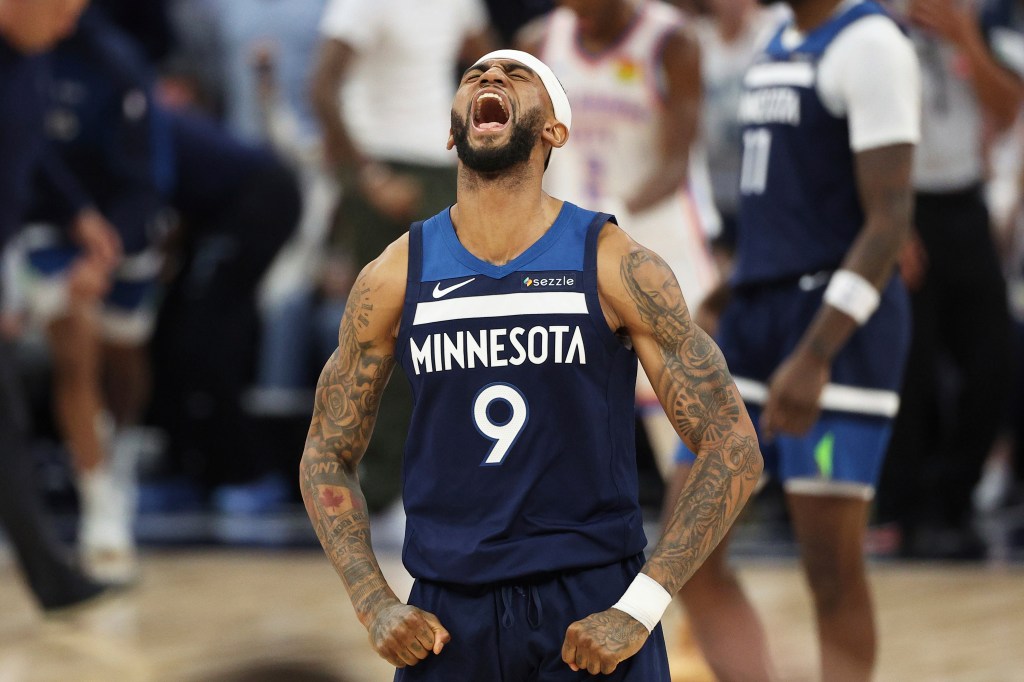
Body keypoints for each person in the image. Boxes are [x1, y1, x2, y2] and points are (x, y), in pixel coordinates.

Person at [299, 49, 763, 679]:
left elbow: (732, 444)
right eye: (472, 77)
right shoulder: (394, 273)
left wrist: (642, 606)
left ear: (554, 130)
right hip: (444, 616)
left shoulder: (614, 262)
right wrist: (373, 601)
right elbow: (325, 451)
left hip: (591, 605)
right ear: (452, 128)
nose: (489, 77)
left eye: (517, 76)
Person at [668, 0, 921, 678]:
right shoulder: (777, 36)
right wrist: (732, 285)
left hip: (836, 328)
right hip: (757, 309)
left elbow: (891, 217)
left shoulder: (870, 44)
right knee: (684, 549)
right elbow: (788, 195)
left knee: (830, 570)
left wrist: (815, 354)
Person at [307, 0, 495, 514]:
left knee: (453, 329)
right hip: (383, 168)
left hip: (443, 166)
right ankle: (386, 481)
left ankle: (449, 474)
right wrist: (364, 176)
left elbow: (492, 67)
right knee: (387, 330)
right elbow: (321, 88)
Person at [521, 0, 722, 474]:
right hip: (572, 246)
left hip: (661, 240)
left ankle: (706, 533)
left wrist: (607, 222)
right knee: (562, 412)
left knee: (686, 416)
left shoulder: (672, 41)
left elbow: (675, 166)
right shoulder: (538, 44)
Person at [874, 0, 1024, 560]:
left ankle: (954, 498)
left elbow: (1008, 113)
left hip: (963, 206)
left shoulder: (978, 27)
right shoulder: (874, 29)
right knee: (908, 371)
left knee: (995, 360)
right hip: (899, 204)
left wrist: (966, 40)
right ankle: (901, 510)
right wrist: (886, 220)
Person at [0, 0, 115, 612]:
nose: (71, 24)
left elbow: (32, 152)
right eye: (61, 9)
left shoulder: (30, 61)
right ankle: (54, 579)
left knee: (6, 424)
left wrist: (78, 213)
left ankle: (54, 579)